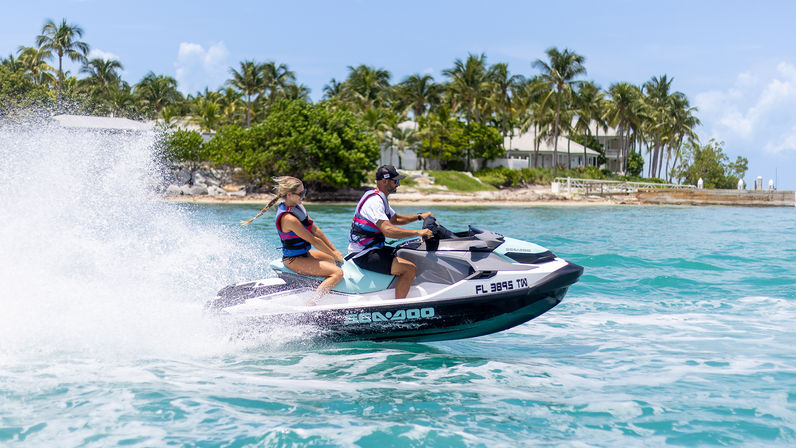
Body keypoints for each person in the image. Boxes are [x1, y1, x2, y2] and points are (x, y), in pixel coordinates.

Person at [241, 176, 344, 306]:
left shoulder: (298, 207)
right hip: (294, 260)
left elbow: (315, 230)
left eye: (304, 192)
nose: (303, 196)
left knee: (333, 260)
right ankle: (311, 304)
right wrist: (334, 253)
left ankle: (320, 286)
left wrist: (334, 251)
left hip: (305, 254)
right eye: (300, 194)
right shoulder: (289, 218)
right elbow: (313, 240)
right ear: (289, 194)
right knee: (337, 273)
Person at [348, 165, 433, 299]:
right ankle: (399, 308)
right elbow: (388, 230)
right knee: (409, 269)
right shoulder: (374, 201)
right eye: (396, 181)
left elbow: (395, 219)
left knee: (407, 251)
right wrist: (418, 232)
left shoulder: (380, 198)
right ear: (384, 181)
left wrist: (419, 216)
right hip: (364, 253)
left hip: (374, 248)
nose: (398, 184)